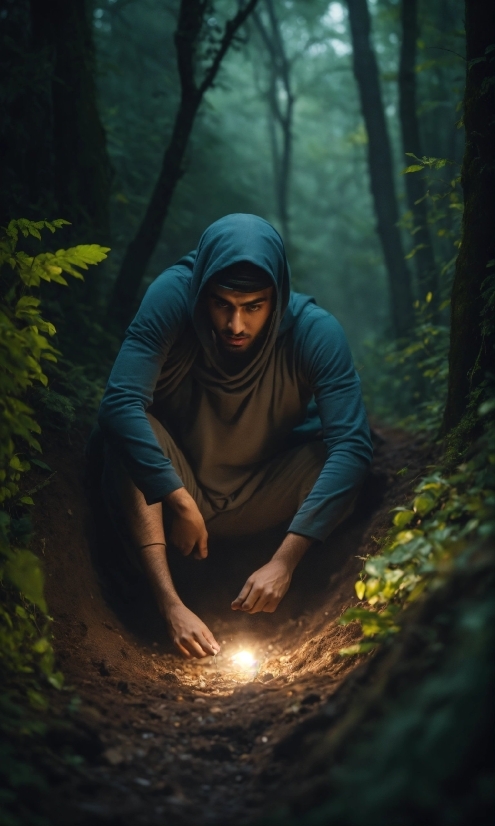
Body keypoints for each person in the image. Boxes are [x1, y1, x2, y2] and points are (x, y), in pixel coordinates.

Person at [97, 214, 372, 659]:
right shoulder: (172, 297)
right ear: (202, 289)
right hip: (174, 487)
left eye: (254, 306)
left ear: (278, 297)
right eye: (222, 304)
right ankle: (168, 603)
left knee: (336, 457)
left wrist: (284, 561)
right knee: (129, 435)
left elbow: (352, 446)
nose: (236, 325)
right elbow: (119, 403)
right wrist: (178, 499)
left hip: (262, 494)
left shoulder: (315, 331)